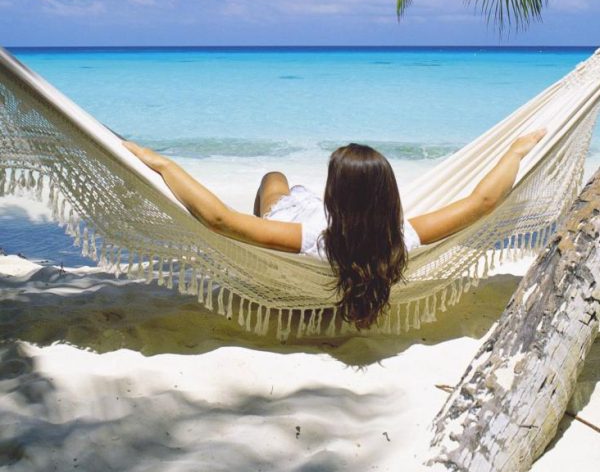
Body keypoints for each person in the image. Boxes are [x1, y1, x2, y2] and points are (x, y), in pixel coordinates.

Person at [124, 128, 545, 329]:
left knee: (274, 178)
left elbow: (218, 219)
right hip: (327, 220)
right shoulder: (400, 238)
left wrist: (162, 164)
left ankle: (264, 266)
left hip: (292, 217)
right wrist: (514, 152)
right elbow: (482, 203)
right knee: (286, 190)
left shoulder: (310, 241)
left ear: (335, 197)